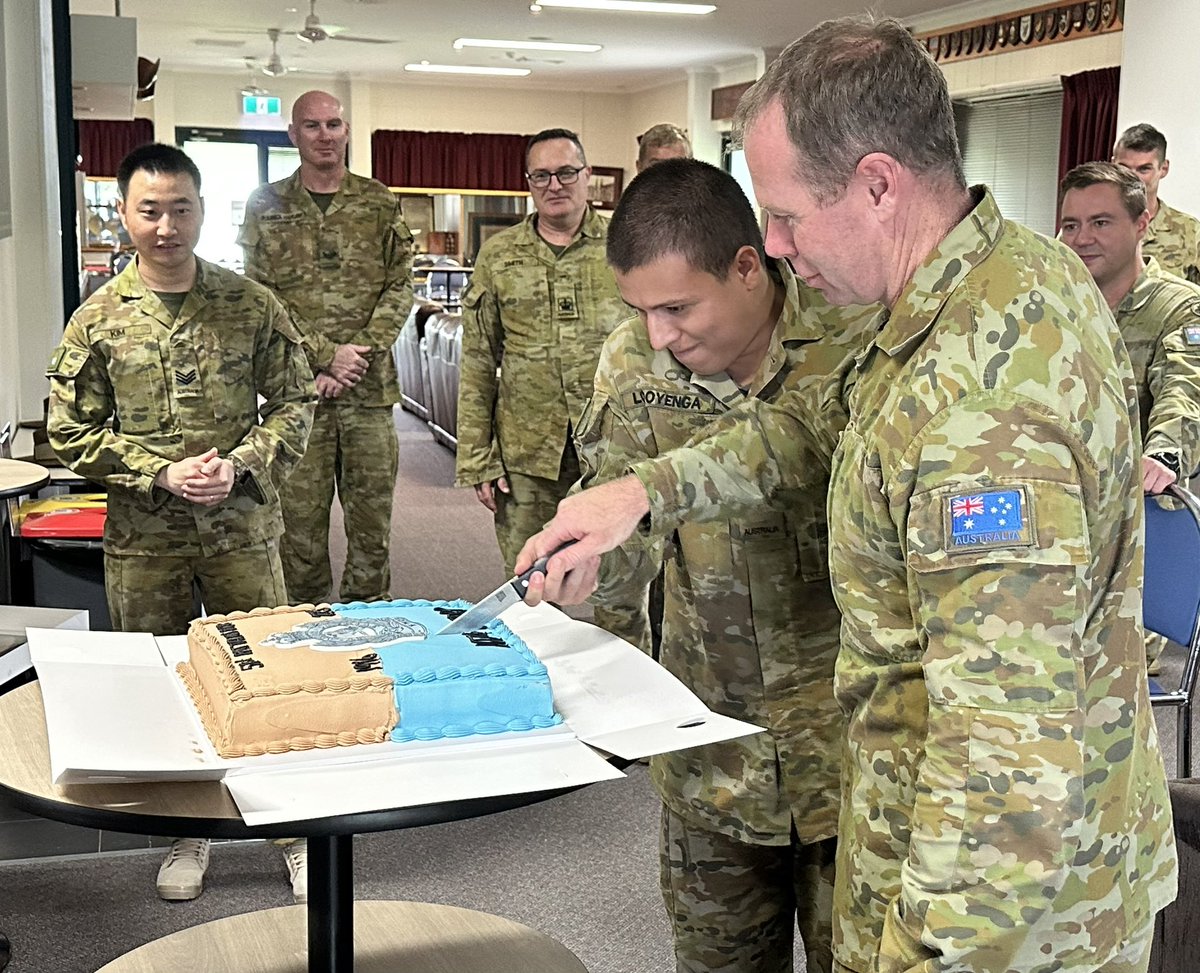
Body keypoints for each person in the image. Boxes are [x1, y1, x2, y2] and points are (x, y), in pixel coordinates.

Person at [519, 16, 1178, 973]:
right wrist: (642, 492)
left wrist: (922, 953)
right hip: (960, 856)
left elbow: (1003, 757)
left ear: (877, 182)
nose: (775, 246)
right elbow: (816, 429)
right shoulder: (990, 281)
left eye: (785, 214)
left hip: (995, 920)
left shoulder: (982, 406)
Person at [580, 157, 875, 972]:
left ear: (749, 266)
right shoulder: (633, 364)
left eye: (677, 306)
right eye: (639, 309)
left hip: (848, 755)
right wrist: (590, 584)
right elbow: (616, 518)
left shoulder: (853, 339)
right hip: (710, 745)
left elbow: (811, 457)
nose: (658, 334)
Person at [46, 143, 316, 903]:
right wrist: (157, 471)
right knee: (163, 683)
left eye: (181, 208)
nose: (167, 226)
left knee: (261, 674)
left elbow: (297, 402)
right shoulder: (97, 318)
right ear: (126, 213)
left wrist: (242, 460)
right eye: (150, 210)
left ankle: (288, 829)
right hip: (145, 538)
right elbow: (69, 430)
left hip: (240, 529)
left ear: (202, 210)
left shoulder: (250, 304)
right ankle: (186, 832)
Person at [454, 128, 636, 636]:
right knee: (530, 591)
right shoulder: (500, 255)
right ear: (528, 183)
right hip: (525, 451)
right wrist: (478, 456)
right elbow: (477, 359)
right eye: (541, 175)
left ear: (587, 176)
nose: (555, 185)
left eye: (566, 172)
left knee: (623, 591)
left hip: (615, 449)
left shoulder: (627, 245)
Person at [238, 90, 414, 604]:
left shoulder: (378, 201)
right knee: (299, 534)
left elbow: (401, 284)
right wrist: (323, 355)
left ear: (346, 131)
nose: (325, 136)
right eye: (312, 126)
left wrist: (357, 353)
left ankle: (367, 633)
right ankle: (308, 634)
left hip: (369, 393)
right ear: (292, 135)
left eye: (334, 124)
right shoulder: (265, 205)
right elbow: (260, 295)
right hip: (298, 396)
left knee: (371, 531)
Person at [1060, 161, 1200, 494]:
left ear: (1141, 225)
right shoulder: (1054, 305)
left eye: (1101, 223)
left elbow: (1187, 389)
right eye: (1070, 225)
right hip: (1060, 501)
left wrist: (1164, 455)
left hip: (1136, 505)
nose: (1082, 238)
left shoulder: (1180, 308)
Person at [1114, 123, 1200, 285]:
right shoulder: (1086, 224)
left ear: (1164, 169)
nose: (1132, 178)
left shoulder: (1189, 230)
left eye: (1144, 169)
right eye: (1124, 168)